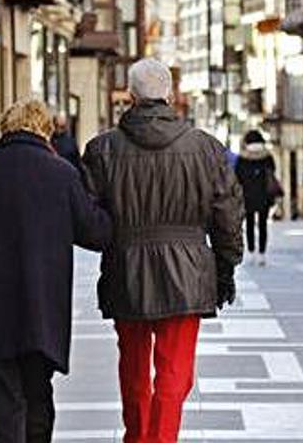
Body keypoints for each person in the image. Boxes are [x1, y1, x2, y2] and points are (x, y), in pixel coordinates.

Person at [82, 58, 244, 443]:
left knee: (134, 367)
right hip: (188, 269)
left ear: (131, 96)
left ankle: (137, 437)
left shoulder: (102, 149)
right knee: (175, 372)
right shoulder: (206, 149)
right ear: (170, 95)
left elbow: (87, 219)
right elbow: (227, 213)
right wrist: (226, 267)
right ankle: (162, 438)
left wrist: (117, 239)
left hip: (127, 269)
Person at [0, 99, 112, 443]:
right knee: (37, 395)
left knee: (4, 403)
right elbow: (97, 233)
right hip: (40, 311)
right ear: (45, 130)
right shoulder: (61, 174)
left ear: (5, 128)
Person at [235, 130, 277, 266]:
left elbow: (237, 177)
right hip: (264, 194)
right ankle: (262, 254)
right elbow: (273, 172)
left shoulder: (242, 158)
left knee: (250, 224)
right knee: (263, 224)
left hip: (248, 195)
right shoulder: (267, 156)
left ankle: (252, 252)